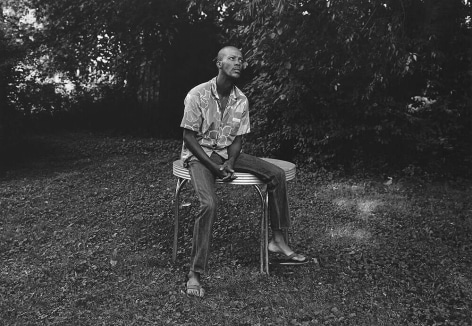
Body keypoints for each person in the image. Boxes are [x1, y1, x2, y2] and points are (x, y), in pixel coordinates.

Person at [180, 46, 307, 298]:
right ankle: (195, 272)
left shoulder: (242, 99)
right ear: (218, 62)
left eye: (240, 59)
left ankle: (278, 240)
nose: (237, 63)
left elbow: (238, 138)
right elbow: (188, 136)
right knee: (209, 203)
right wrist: (213, 166)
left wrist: (229, 162)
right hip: (199, 155)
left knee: (276, 174)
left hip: (227, 152)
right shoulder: (198, 94)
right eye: (231, 58)